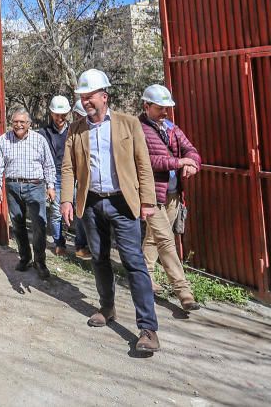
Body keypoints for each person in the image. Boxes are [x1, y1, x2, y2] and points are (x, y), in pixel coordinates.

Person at [61, 69, 161, 353]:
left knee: (133, 263)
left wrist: (148, 201)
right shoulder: (76, 129)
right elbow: (68, 167)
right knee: (100, 259)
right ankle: (107, 307)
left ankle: (148, 329)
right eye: (82, 97)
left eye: (89, 96)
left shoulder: (128, 124)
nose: (85, 101)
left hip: (122, 202)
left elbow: (143, 164)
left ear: (104, 96)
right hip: (92, 202)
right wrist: (67, 200)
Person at [139, 84, 202, 312]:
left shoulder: (171, 128)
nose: (165, 112)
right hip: (152, 194)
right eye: (160, 108)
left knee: (154, 238)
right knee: (166, 239)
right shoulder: (138, 130)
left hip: (174, 193)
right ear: (146, 106)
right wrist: (178, 162)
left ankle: (144, 275)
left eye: (167, 108)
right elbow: (147, 161)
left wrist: (192, 163)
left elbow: (190, 149)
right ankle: (183, 291)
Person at [0, 108, 57, 280]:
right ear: (11, 122)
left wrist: (51, 186)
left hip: (35, 186)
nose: (18, 124)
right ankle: (25, 258)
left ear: (29, 124)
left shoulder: (39, 140)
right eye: (15, 121)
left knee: (39, 225)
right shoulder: (3, 140)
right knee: (18, 224)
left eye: (22, 122)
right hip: (12, 186)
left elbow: (49, 165)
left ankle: (40, 262)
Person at [38, 96, 75, 256]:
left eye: (63, 114)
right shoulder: (43, 133)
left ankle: (81, 244)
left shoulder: (74, 130)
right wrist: (48, 184)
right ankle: (60, 243)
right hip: (54, 177)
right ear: (51, 113)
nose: (60, 118)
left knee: (79, 211)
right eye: (56, 114)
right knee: (56, 212)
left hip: (74, 176)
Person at [69, 97, 92, 260]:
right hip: (80, 181)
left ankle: (90, 246)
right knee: (81, 214)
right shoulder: (74, 131)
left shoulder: (95, 130)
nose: (78, 118)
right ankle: (81, 246)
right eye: (77, 115)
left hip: (95, 182)